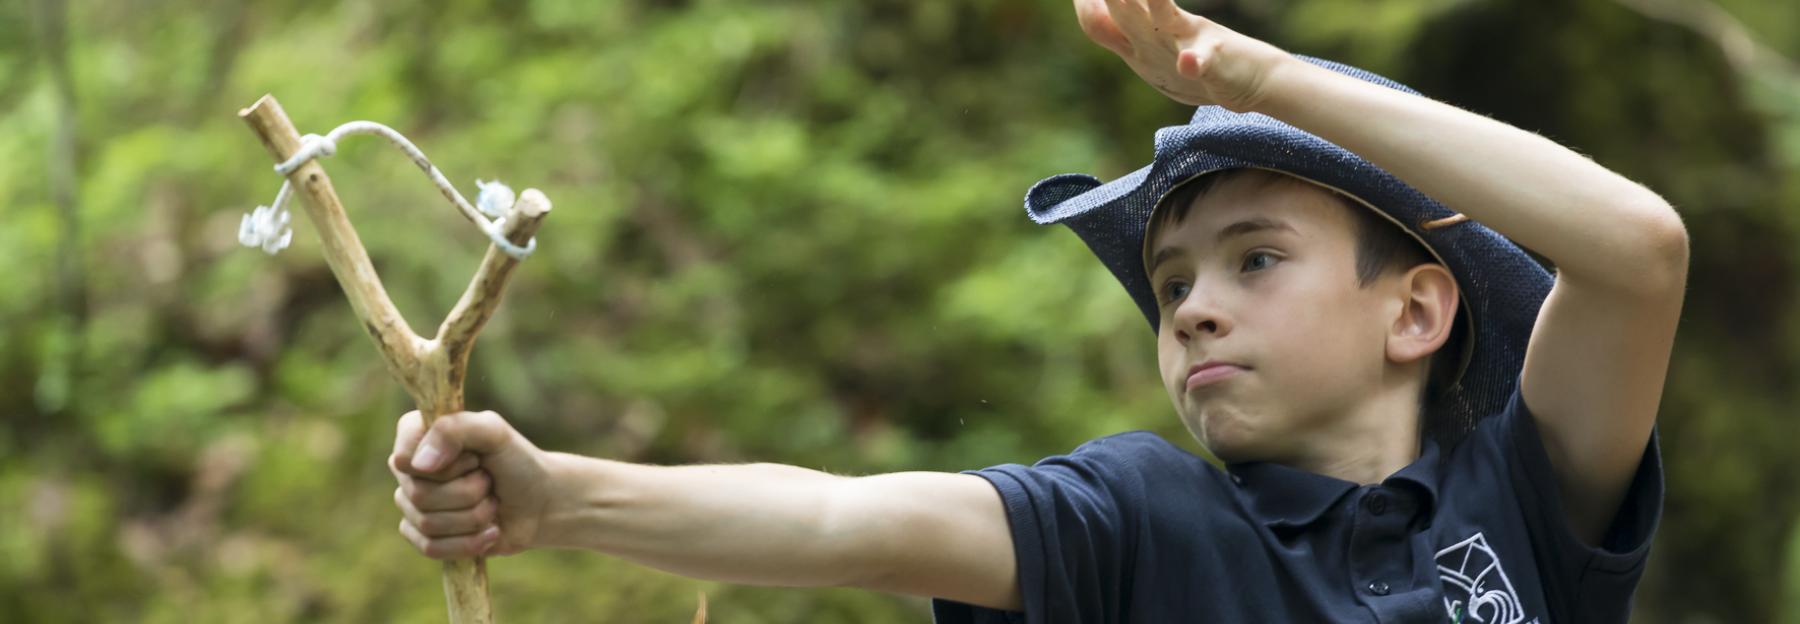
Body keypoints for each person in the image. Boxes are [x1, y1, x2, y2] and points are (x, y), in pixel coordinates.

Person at [387, 1, 1686, 621]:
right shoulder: (1137, 519)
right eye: (1172, 284)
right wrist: (556, 499)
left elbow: (1637, 251)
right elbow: (855, 522)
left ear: (1415, 313)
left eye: (1254, 261)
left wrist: (1263, 79)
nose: (1191, 312)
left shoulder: (1520, 502)